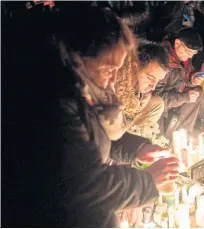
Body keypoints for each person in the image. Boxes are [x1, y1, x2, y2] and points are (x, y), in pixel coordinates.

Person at [4, 6, 180, 227]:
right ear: (77, 55)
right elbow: (82, 184)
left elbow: (91, 140)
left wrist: (138, 148)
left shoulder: (88, 89)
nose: (115, 79)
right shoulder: (53, 103)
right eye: (109, 68)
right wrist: (149, 182)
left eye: (119, 68)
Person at [154, 28, 203, 135]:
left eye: (193, 53)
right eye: (188, 51)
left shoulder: (182, 57)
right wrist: (184, 97)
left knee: (198, 91)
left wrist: (192, 80)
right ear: (177, 43)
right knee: (158, 137)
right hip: (159, 104)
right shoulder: (163, 61)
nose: (190, 56)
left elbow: (181, 79)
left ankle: (183, 132)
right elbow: (157, 97)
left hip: (175, 95)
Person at [114, 43, 169, 133]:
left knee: (157, 103)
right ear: (135, 67)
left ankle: (140, 134)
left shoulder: (135, 77)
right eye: (150, 78)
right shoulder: (117, 80)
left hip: (127, 119)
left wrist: (144, 95)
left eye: (158, 80)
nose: (153, 86)